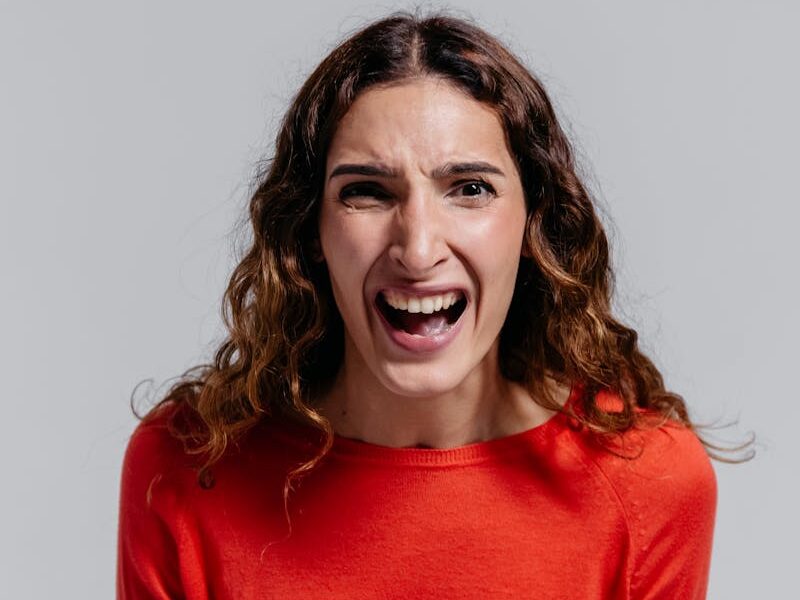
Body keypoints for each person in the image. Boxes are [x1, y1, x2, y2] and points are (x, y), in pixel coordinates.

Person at [117, 12, 720, 599]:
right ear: (311, 231)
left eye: (470, 189)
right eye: (367, 192)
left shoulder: (648, 483)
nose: (418, 248)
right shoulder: (188, 468)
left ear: (533, 226)